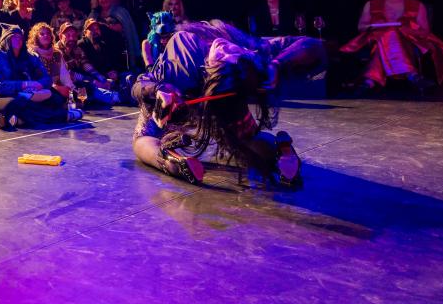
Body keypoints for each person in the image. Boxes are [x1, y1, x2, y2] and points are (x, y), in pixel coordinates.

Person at [130, 21, 319, 187]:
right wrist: (160, 90)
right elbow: (139, 86)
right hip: (204, 95)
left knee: (142, 138)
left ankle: (171, 162)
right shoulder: (251, 50)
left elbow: (313, 44)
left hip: (219, 98)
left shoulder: (186, 59)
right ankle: (280, 149)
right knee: (245, 137)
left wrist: (277, 64)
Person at [340, 0, 443, 92]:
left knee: (391, 34)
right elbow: (361, 27)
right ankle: (412, 75)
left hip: (406, 40)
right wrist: (372, 25)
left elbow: (425, 32)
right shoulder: (371, 4)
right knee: (390, 33)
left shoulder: (417, 5)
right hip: (375, 39)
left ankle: (369, 81)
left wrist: (407, 30)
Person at [0, 24, 76, 126]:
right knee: (18, 104)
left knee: (56, 98)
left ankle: (20, 120)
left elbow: (47, 79)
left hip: (27, 93)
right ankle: (62, 116)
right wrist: (24, 85)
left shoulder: (29, 56)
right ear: (6, 40)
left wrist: (39, 85)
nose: (18, 40)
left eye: (20, 37)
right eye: (14, 37)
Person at [56, 23, 118, 107]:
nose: (71, 38)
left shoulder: (77, 49)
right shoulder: (56, 52)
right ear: (60, 36)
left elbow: (87, 66)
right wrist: (94, 82)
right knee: (87, 86)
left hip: (77, 84)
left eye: (74, 35)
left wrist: (102, 80)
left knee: (108, 82)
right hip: (64, 86)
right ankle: (114, 97)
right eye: (68, 35)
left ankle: (112, 95)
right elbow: (69, 74)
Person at [90, 0, 141, 69]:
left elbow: (122, 28)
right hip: (99, 47)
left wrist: (104, 26)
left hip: (117, 46)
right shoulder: (95, 14)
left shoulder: (120, 11)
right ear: (97, 0)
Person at [27, 22, 75, 102]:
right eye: (42, 34)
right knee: (56, 99)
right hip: (40, 90)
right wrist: (55, 87)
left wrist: (69, 89)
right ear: (36, 37)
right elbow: (33, 79)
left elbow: (64, 75)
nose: (46, 35)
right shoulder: (31, 54)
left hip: (58, 89)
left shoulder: (57, 54)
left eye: (48, 33)